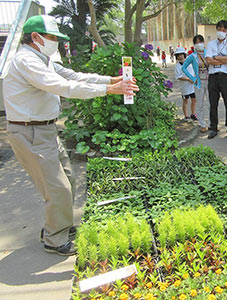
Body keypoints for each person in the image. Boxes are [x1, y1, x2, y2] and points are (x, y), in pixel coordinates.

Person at [4, 15, 139, 256]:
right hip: (29, 131)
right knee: (57, 189)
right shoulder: (26, 60)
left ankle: (58, 227)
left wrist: (111, 79)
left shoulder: (42, 59)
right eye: (52, 37)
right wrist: (109, 90)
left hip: (45, 129)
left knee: (68, 179)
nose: (55, 42)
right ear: (35, 37)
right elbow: (63, 87)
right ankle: (54, 240)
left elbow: (74, 76)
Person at [205, 20, 227, 140]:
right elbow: (208, 60)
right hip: (213, 76)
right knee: (213, 103)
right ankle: (213, 128)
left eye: (224, 30)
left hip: (226, 76)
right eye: (219, 29)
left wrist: (216, 57)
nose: (221, 32)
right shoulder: (211, 44)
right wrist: (224, 58)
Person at [182, 35, 209, 133]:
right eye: (196, 42)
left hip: (210, 82)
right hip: (199, 83)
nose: (199, 44)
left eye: (200, 42)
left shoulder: (208, 53)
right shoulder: (192, 56)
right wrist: (193, 78)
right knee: (200, 104)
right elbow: (183, 68)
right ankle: (202, 124)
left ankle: (212, 123)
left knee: (211, 103)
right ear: (194, 44)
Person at [174, 47, 196, 120]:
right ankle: (186, 116)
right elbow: (179, 76)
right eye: (178, 55)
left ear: (184, 55)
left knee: (194, 100)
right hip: (184, 86)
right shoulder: (177, 66)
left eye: (181, 55)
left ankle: (193, 114)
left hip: (192, 85)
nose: (180, 56)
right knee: (185, 100)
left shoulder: (189, 63)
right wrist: (188, 79)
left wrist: (194, 78)